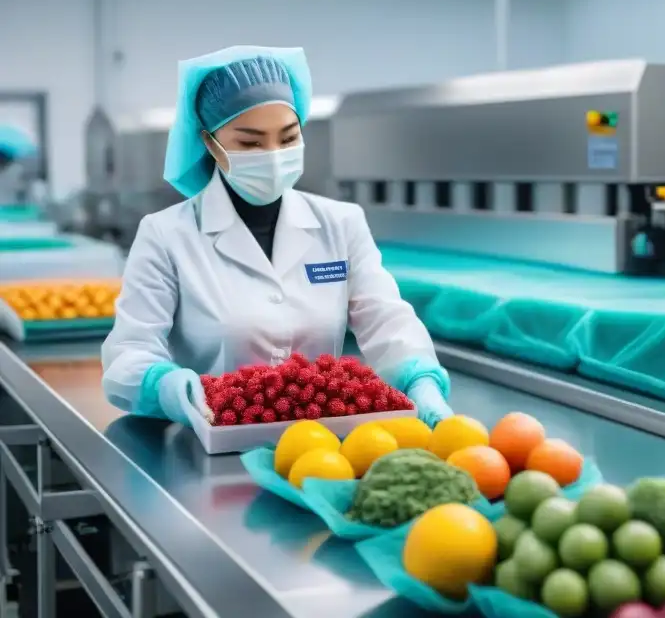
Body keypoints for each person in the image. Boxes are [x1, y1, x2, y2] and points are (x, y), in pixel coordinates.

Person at [100, 46, 454, 428]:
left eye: (287, 139)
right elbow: (129, 353)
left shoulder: (341, 222)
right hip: (210, 441)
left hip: (324, 443)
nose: (272, 155)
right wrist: (164, 386)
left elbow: (386, 320)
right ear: (209, 143)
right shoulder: (166, 235)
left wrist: (421, 380)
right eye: (251, 143)